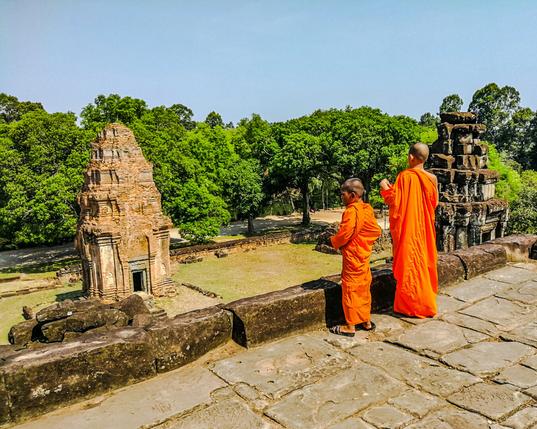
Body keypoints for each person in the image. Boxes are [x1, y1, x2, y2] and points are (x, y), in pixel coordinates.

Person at [380, 143, 439, 318]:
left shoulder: (404, 176)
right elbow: (434, 203)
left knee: (410, 266)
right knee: (424, 262)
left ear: (411, 157)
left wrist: (385, 187)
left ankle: (410, 306)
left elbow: (395, 202)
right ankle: (425, 302)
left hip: (409, 230)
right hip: (425, 229)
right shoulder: (432, 178)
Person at [329, 178, 382, 336]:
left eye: (342, 194)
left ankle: (350, 325)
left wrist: (333, 241)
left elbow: (345, 234)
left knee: (351, 288)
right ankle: (365, 321)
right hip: (363, 254)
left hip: (353, 255)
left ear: (352, 195)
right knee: (364, 287)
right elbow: (375, 231)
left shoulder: (352, 211)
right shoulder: (367, 209)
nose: (341, 197)